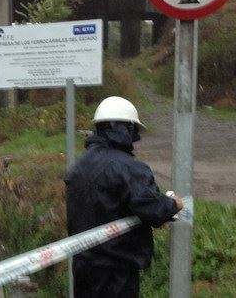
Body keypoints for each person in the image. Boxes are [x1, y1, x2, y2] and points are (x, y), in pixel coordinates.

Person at [65, 96, 183, 298]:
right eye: (134, 131)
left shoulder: (80, 165)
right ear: (126, 129)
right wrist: (173, 204)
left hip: (83, 266)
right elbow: (152, 208)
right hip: (116, 272)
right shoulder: (129, 168)